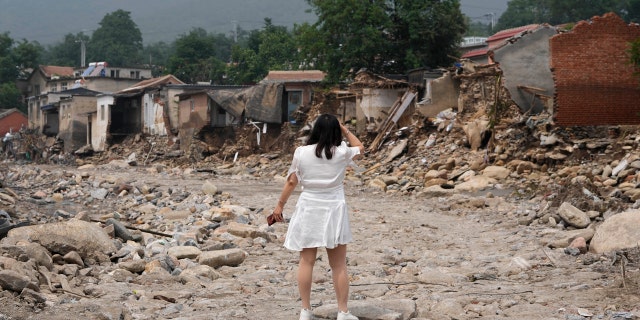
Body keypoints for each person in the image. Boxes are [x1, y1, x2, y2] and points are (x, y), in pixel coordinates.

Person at [271, 114, 364, 320]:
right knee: (338, 264)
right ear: (335, 132)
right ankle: (343, 312)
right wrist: (346, 130)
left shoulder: (301, 152)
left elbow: (291, 182)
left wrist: (279, 206)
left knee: (306, 261)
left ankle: (305, 310)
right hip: (334, 209)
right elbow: (361, 147)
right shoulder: (341, 152)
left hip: (309, 207)